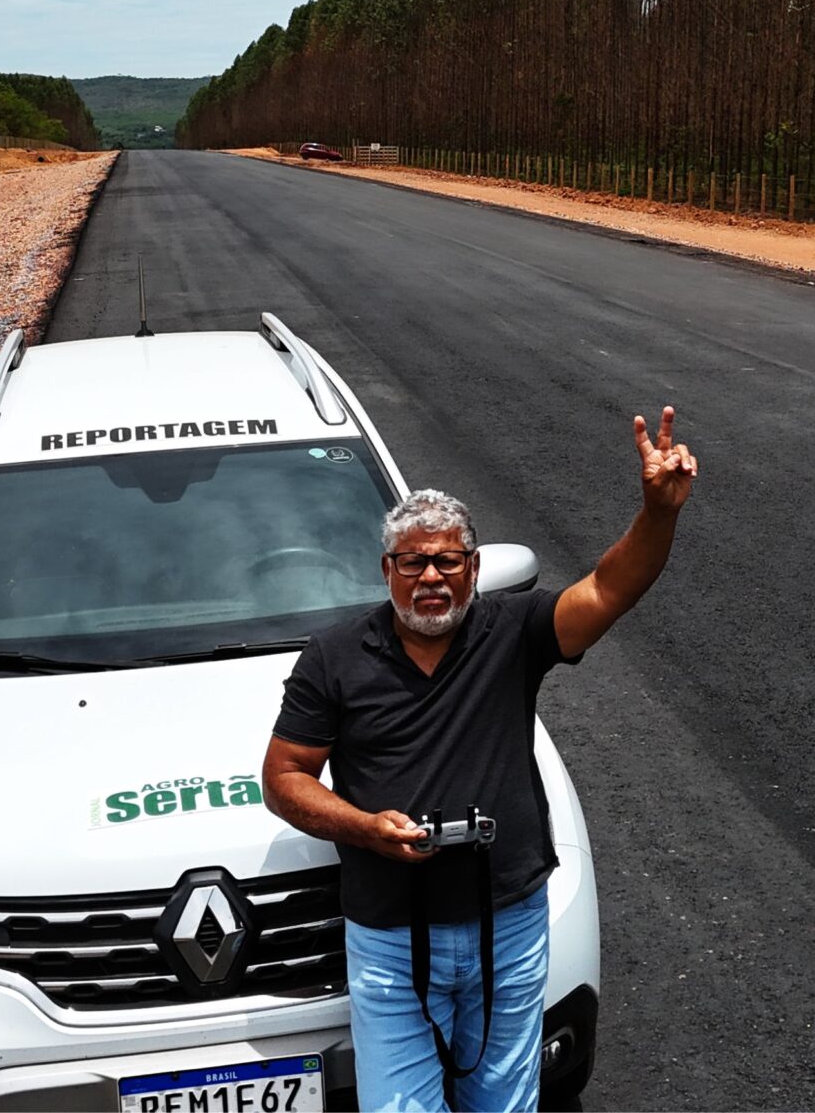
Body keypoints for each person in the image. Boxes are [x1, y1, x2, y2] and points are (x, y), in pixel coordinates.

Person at [262, 407, 699, 1112]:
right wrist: (366, 828)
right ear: (388, 570)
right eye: (414, 562)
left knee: (505, 1102)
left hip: (508, 920)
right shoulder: (334, 658)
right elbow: (284, 780)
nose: (430, 577)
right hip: (390, 935)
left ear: (472, 568)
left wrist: (657, 513)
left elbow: (609, 589)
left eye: (447, 561)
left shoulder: (513, 630)